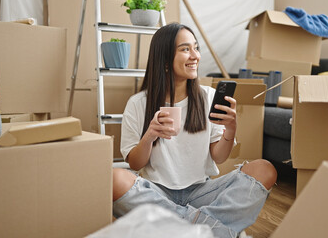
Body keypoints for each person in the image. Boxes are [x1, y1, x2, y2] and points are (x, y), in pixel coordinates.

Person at [112, 22, 277, 238]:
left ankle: (178, 229)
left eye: (196, 48)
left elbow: (218, 157)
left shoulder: (208, 97)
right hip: (157, 193)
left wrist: (230, 129)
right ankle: (215, 231)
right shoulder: (138, 103)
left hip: (202, 191)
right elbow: (135, 163)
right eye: (185, 49)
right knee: (114, 179)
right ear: (164, 60)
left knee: (264, 170)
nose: (195, 56)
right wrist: (150, 136)